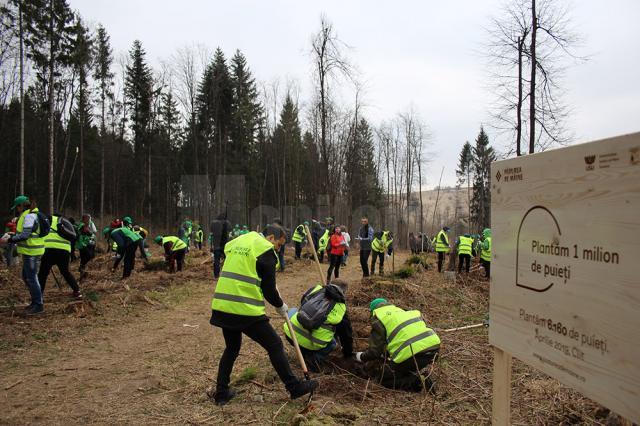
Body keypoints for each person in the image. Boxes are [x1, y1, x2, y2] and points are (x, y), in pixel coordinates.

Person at [210, 225, 318, 405]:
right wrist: (280, 305)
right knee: (275, 344)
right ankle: (293, 387)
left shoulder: (239, 241)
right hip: (244, 308)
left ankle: (221, 393)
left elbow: (240, 264)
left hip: (223, 305)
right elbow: (269, 291)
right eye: (279, 244)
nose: (278, 249)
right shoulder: (265, 250)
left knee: (232, 348)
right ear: (270, 237)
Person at [354, 298, 440, 392]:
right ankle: (419, 375)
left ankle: (418, 381)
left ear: (372, 310)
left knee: (384, 379)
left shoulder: (379, 318)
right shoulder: (403, 312)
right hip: (434, 349)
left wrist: (360, 356)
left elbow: (375, 352)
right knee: (403, 367)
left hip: (412, 353)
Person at [283, 280, 353, 372]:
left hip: (290, 334)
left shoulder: (315, 289)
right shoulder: (341, 308)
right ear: (344, 292)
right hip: (312, 344)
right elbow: (345, 335)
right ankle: (313, 359)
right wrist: (348, 353)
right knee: (333, 343)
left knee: (293, 310)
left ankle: (303, 350)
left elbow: (303, 304)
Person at [1, 196, 46, 314]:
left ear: (21, 206)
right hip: (30, 251)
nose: (16, 210)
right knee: (27, 277)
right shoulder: (28, 215)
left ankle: (38, 304)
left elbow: (25, 235)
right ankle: (36, 301)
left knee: (31, 278)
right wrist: (12, 234)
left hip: (32, 251)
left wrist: (10, 239)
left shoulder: (29, 216)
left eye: (17, 207)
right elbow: (24, 233)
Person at [38, 214, 83, 299]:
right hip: (64, 251)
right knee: (65, 272)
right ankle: (77, 291)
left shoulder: (47, 220)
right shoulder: (64, 221)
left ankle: (39, 296)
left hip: (49, 250)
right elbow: (74, 236)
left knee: (43, 274)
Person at [210, 213, 232, 279]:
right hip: (225, 245)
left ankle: (216, 275)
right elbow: (230, 229)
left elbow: (211, 234)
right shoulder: (227, 223)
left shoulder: (213, 223)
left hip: (216, 245)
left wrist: (211, 246)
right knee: (227, 260)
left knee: (216, 260)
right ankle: (227, 274)